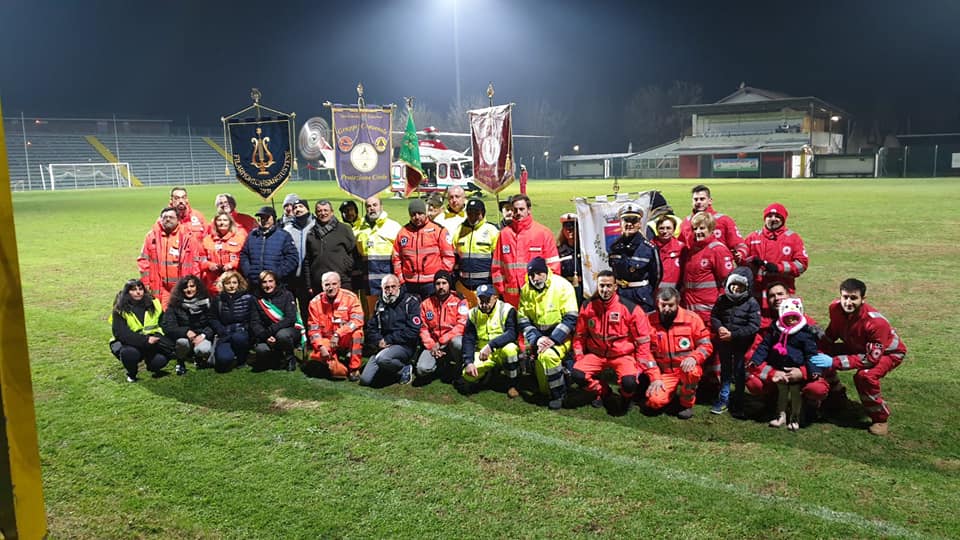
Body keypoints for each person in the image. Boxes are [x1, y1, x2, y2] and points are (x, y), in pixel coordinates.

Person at [818, 278, 907, 436]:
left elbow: (870, 359)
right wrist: (822, 348)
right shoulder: (834, 308)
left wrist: (834, 362)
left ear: (863, 299)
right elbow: (833, 330)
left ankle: (880, 418)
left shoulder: (876, 323)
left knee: (865, 377)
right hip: (857, 345)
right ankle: (838, 397)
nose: (848, 302)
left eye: (853, 298)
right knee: (820, 355)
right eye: (845, 297)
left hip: (888, 353)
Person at [571, 271, 659, 412]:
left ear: (615, 287)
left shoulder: (631, 309)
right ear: (597, 286)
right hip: (597, 354)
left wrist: (640, 366)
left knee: (629, 382)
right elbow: (579, 336)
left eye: (608, 286)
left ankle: (626, 397)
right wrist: (579, 357)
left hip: (622, 356)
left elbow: (643, 341)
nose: (605, 290)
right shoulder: (587, 306)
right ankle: (603, 392)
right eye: (601, 286)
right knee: (577, 374)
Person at [749, 298, 823, 431]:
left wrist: (813, 371)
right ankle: (780, 416)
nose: (791, 321)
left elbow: (811, 353)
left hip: (795, 371)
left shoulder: (805, 333)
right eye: (788, 317)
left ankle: (795, 417)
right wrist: (756, 360)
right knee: (782, 394)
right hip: (780, 370)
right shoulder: (775, 330)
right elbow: (764, 346)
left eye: (794, 317)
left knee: (795, 395)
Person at [518, 257, 579, 409]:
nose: (535, 278)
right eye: (532, 275)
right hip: (539, 339)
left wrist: (553, 339)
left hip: (561, 338)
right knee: (544, 389)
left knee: (548, 356)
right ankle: (563, 376)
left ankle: (559, 394)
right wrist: (537, 339)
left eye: (539, 273)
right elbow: (522, 318)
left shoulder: (563, 286)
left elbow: (571, 318)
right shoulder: (526, 289)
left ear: (546, 272)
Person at [643, 287, 713, 419]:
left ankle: (686, 403)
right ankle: (668, 394)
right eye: (663, 305)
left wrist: (694, 358)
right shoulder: (648, 321)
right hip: (665, 372)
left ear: (678, 303)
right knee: (654, 402)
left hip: (686, 368)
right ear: (657, 303)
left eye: (670, 305)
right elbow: (645, 353)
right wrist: (655, 377)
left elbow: (706, 345)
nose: (667, 309)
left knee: (692, 373)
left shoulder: (692, 319)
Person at [683, 211, 735, 385]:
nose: (698, 232)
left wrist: (719, 309)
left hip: (709, 311)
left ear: (711, 228)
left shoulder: (718, 250)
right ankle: (702, 381)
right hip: (692, 311)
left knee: (713, 349)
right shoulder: (693, 250)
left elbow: (727, 284)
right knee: (699, 346)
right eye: (695, 228)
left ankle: (718, 386)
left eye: (702, 228)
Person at [492, 195, 561, 307]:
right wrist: (501, 289)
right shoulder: (505, 234)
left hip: (537, 297)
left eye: (522, 209)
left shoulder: (543, 233)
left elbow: (553, 266)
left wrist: (545, 288)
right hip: (511, 299)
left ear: (529, 210)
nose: (518, 212)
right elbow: (497, 266)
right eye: (515, 210)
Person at [709, 267, 761, 417]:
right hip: (725, 343)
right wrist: (719, 328)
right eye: (734, 285)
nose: (736, 289)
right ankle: (724, 398)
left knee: (739, 372)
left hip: (741, 345)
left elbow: (753, 326)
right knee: (725, 371)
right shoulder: (722, 300)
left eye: (740, 286)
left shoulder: (752, 303)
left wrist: (734, 335)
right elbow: (715, 316)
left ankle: (738, 401)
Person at [359, 275, 422, 387]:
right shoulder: (379, 303)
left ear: (399, 286)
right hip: (383, 345)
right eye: (386, 288)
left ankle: (404, 369)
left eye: (393, 287)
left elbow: (413, 331)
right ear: (382, 289)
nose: (390, 291)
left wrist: (388, 340)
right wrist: (379, 341)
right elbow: (371, 328)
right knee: (365, 380)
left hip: (404, 346)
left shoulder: (410, 302)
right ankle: (389, 367)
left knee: (382, 359)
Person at [460, 284, 521, 398]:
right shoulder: (473, 313)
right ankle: (489, 374)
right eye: (481, 300)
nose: (483, 304)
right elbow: (468, 339)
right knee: (467, 374)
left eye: (487, 300)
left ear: (495, 298)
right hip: (484, 354)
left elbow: (512, 333)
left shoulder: (507, 309)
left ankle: (513, 384)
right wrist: (469, 362)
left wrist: (491, 346)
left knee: (511, 350)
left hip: (501, 349)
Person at [109, 278, 174, 382]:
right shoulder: (120, 309)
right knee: (129, 353)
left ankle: (151, 366)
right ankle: (132, 373)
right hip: (129, 343)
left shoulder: (155, 304)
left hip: (150, 343)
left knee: (160, 361)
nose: (138, 292)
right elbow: (121, 334)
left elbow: (163, 324)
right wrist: (145, 340)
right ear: (127, 292)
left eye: (140, 289)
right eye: (134, 290)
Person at [306, 271, 365, 381]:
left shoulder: (351, 298)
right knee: (335, 371)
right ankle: (337, 366)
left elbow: (357, 320)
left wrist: (339, 333)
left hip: (344, 337)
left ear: (339, 284)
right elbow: (313, 330)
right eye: (327, 284)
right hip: (327, 340)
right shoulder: (314, 303)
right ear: (322, 286)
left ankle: (354, 368)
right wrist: (320, 346)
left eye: (334, 284)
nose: (331, 287)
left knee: (357, 333)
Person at [392, 198, 455, 299]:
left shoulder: (438, 230)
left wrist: (441, 278)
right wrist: (401, 279)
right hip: (409, 284)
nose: (417, 217)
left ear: (425, 213)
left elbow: (448, 257)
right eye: (413, 214)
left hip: (431, 283)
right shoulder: (403, 232)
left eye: (420, 213)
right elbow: (396, 258)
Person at [745, 203, 809, 303]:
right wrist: (750, 261)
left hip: (783, 294)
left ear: (783, 219)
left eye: (778, 216)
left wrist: (779, 268)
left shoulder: (793, 238)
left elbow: (802, 264)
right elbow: (741, 262)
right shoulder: (752, 237)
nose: (773, 219)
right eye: (769, 216)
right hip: (757, 294)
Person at [137, 206, 201, 307]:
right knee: (161, 315)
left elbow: (196, 262)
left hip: (182, 286)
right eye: (165, 217)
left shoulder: (188, 237)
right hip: (159, 286)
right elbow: (143, 261)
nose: (168, 219)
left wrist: (195, 283)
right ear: (160, 219)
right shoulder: (151, 236)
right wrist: (145, 283)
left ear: (178, 219)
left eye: (171, 217)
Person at [608, 204, 661, 313]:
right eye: (626, 220)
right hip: (620, 296)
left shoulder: (648, 248)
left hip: (641, 297)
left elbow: (656, 276)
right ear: (620, 223)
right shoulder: (614, 247)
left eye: (633, 221)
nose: (629, 224)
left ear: (639, 224)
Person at [416, 271, 468, 382]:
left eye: (444, 283)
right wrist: (431, 345)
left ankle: (458, 368)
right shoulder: (426, 304)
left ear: (449, 284)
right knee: (421, 370)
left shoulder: (460, 301)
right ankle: (442, 365)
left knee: (458, 343)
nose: (441, 287)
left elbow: (461, 326)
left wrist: (441, 342)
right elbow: (423, 328)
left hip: (451, 343)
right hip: (433, 344)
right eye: (438, 283)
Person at [355, 196, 403, 316]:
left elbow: (401, 253)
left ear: (381, 207)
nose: (372, 208)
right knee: (373, 313)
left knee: (391, 312)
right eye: (368, 206)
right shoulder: (359, 228)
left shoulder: (393, 226)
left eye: (375, 205)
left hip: (387, 278)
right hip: (369, 280)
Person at [249, 270, 301, 372]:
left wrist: (271, 331)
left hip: (287, 330)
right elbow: (255, 322)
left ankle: (290, 358)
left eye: (270, 281)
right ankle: (277, 356)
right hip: (267, 334)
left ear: (275, 282)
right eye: (264, 282)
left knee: (282, 335)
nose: (268, 285)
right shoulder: (256, 298)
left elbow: (290, 318)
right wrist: (266, 336)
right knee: (261, 350)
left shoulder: (287, 294)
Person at [679, 185, 746, 263]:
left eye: (702, 199)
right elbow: (680, 246)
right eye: (696, 199)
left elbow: (739, 244)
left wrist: (741, 254)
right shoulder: (686, 222)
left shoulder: (724, 220)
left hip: (719, 265)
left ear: (710, 201)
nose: (698, 202)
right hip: (693, 267)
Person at [304, 199, 357, 299]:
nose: (323, 213)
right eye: (319, 211)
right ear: (315, 213)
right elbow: (307, 260)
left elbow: (353, 253)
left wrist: (346, 268)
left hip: (342, 281)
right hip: (319, 283)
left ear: (332, 212)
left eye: (325, 210)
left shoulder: (344, 229)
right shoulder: (311, 233)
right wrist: (309, 284)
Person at [162, 274, 214, 373]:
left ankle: (198, 357)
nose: (189, 290)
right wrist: (185, 331)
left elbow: (213, 323)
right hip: (184, 337)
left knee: (204, 349)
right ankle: (180, 360)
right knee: (182, 343)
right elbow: (168, 326)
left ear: (197, 287)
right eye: (185, 287)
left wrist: (203, 335)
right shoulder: (174, 304)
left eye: (192, 286)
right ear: (181, 289)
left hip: (201, 336)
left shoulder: (207, 302)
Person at [454, 198, 499, 307]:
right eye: (470, 213)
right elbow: (454, 256)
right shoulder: (460, 230)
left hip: (485, 288)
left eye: (476, 213)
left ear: (483, 213)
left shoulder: (492, 230)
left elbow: (498, 261)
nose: (473, 216)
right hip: (464, 288)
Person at [239, 206, 299, 288]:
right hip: (255, 284)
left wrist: (278, 274)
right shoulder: (252, 235)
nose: (264, 220)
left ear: (273, 218)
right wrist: (249, 272)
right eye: (262, 218)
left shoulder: (283, 235)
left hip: (276, 284)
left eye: (267, 217)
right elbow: (244, 255)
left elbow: (292, 258)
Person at [209, 270, 255, 372]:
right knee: (223, 360)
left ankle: (242, 358)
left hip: (242, 333)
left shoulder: (248, 298)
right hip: (225, 333)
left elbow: (253, 318)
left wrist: (246, 329)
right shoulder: (217, 299)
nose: (231, 286)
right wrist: (220, 330)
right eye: (228, 283)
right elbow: (213, 318)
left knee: (238, 338)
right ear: (223, 284)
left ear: (239, 283)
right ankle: (231, 354)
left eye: (234, 283)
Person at [282, 198, 316, 323]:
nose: (297, 209)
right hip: (291, 275)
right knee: (290, 309)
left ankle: (310, 335)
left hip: (308, 276)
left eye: (301, 206)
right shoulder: (287, 229)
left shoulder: (315, 226)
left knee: (308, 309)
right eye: (295, 208)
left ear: (307, 208)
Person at [200, 211, 247, 295]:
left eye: (225, 220)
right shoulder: (207, 240)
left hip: (233, 283)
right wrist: (209, 265)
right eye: (219, 220)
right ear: (215, 223)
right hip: (213, 284)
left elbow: (244, 258)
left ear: (230, 222)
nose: (222, 223)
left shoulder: (239, 239)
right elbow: (200, 259)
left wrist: (232, 265)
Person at [651, 214, 685, 291]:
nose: (665, 231)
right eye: (661, 228)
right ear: (657, 229)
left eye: (668, 228)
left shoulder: (681, 248)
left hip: (674, 293)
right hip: (653, 293)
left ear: (674, 230)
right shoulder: (649, 247)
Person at [556, 213, 583, 305]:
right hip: (565, 288)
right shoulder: (559, 251)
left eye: (572, 228)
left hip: (582, 287)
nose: (569, 231)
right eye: (566, 229)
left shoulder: (584, 249)